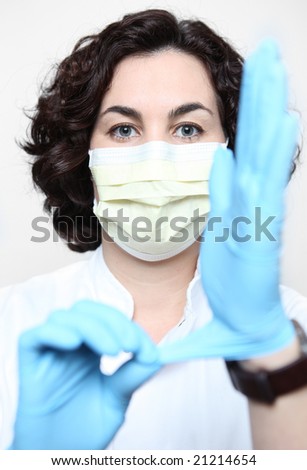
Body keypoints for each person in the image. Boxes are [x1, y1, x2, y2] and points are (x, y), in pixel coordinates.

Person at [1, 8, 307, 450]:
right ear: (82, 156)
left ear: (232, 147)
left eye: (187, 128)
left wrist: (272, 357)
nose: (156, 158)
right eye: (124, 129)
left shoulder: (291, 329)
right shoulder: (12, 322)